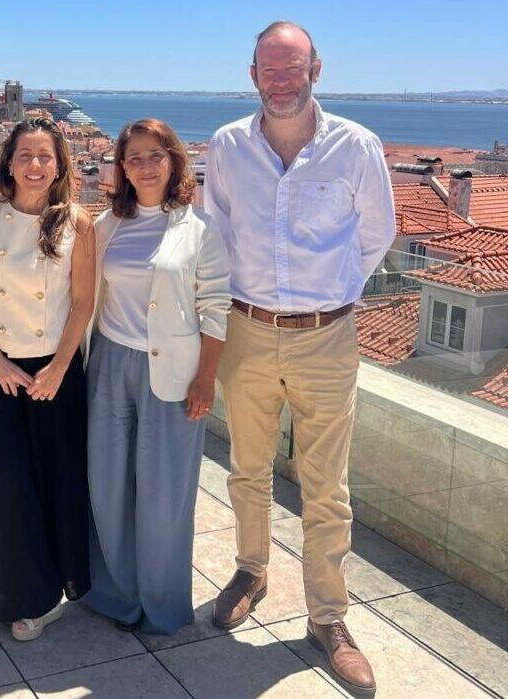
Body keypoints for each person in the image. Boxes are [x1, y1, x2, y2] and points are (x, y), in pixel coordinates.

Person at [204, 21, 395, 697]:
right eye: (270, 69)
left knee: (326, 486)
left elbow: (378, 233)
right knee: (246, 468)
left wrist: (332, 297)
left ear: (317, 69)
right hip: (247, 328)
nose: (281, 81)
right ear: (251, 75)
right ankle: (251, 570)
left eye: (293, 68)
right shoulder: (227, 146)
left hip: (326, 338)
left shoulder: (356, 146)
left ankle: (329, 617)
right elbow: (215, 232)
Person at [84, 118, 231, 635]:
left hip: (173, 372)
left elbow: (216, 309)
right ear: (122, 169)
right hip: (109, 364)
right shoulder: (106, 226)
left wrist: (205, 379)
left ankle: (162, 603)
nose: (145, 166)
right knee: (108, 486)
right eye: (134, 158)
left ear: (173, 161)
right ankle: (116, 596)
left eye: (155, 156)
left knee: (165, 495)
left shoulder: (200, 230)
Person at [0, 117, 95, 641]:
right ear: (9, 164)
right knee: (2, 483)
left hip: (56, 369)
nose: (35, 165)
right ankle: (2, 590)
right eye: (25, 156)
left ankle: (46, 595)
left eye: (45, 156)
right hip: (0, 366)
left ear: (59, 166)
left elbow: (83, 302)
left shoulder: (77, 222)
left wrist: (59, 367)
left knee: (54, 479)